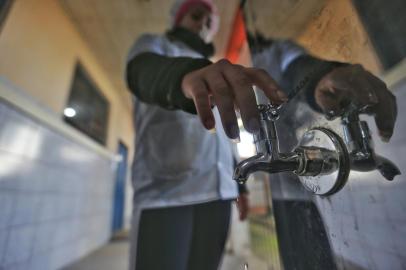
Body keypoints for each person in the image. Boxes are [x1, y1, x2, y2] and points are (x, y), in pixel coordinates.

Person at [126, 1, 397, 270]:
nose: (202, 25)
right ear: (178, 19)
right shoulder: (155, 45)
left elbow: (223, 138)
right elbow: (144, 73)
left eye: (209, 22)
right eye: (196, 16)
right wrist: (184, 77)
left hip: (218, 195)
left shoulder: (214, 66)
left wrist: (239, 188)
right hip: (165, 194)